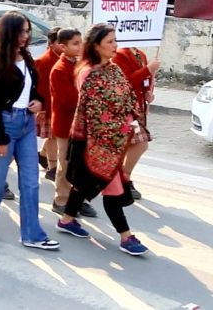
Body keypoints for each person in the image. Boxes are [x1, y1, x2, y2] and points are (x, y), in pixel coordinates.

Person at [0, 12, 60, 251]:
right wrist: (0, 138)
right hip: (4, 125)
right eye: (21, 31)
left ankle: (32, 234)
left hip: (27, 123)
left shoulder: (27, 57)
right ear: (9, 32)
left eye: (28, 31)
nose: (25, 36)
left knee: (30, 181)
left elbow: (34, 89)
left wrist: (39, 102)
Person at [56, 24, 148, 256]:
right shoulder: (87, 72)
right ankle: (126, 237)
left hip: (116, 139)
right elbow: (96, 113)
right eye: (110, 41)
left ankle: (66, 220)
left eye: (115, 40)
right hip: (96, 142)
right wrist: (121, 125)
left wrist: (130, 117)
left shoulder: (114, 69)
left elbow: (127, 96)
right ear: (96, 46)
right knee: (113, 189)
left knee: (84, 184)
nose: (115, 45)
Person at [49, 29, 97, 217]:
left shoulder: (82, 65)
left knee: (83, 165)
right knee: (66, 163)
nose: (79, 46)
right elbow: (68, 100)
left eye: (80, 42)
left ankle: (79, 198)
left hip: (83, 124)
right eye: (75, 43)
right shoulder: (59, 70)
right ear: (62, 47)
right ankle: (61, 199)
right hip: (66, 124)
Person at [113, 47, 160, 200]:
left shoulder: (141, 54)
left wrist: (148, 92)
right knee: (141, 143)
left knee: (130, 144)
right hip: (125, 109)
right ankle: (123, 178)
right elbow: (126, 81)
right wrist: (147, 69)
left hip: (137, 108)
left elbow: (144, 81)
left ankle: (121, 177)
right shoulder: (120, 54)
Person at [34, 27, 62, 177]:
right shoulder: (44, 61)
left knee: (55, 136)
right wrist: (42, 108)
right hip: (48, 106)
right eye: (60, 42)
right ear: (52, 43)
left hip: (58, 106)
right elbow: (40, 87)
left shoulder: (63, 59)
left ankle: (43, 155)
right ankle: (52, 167)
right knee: (53, 137)